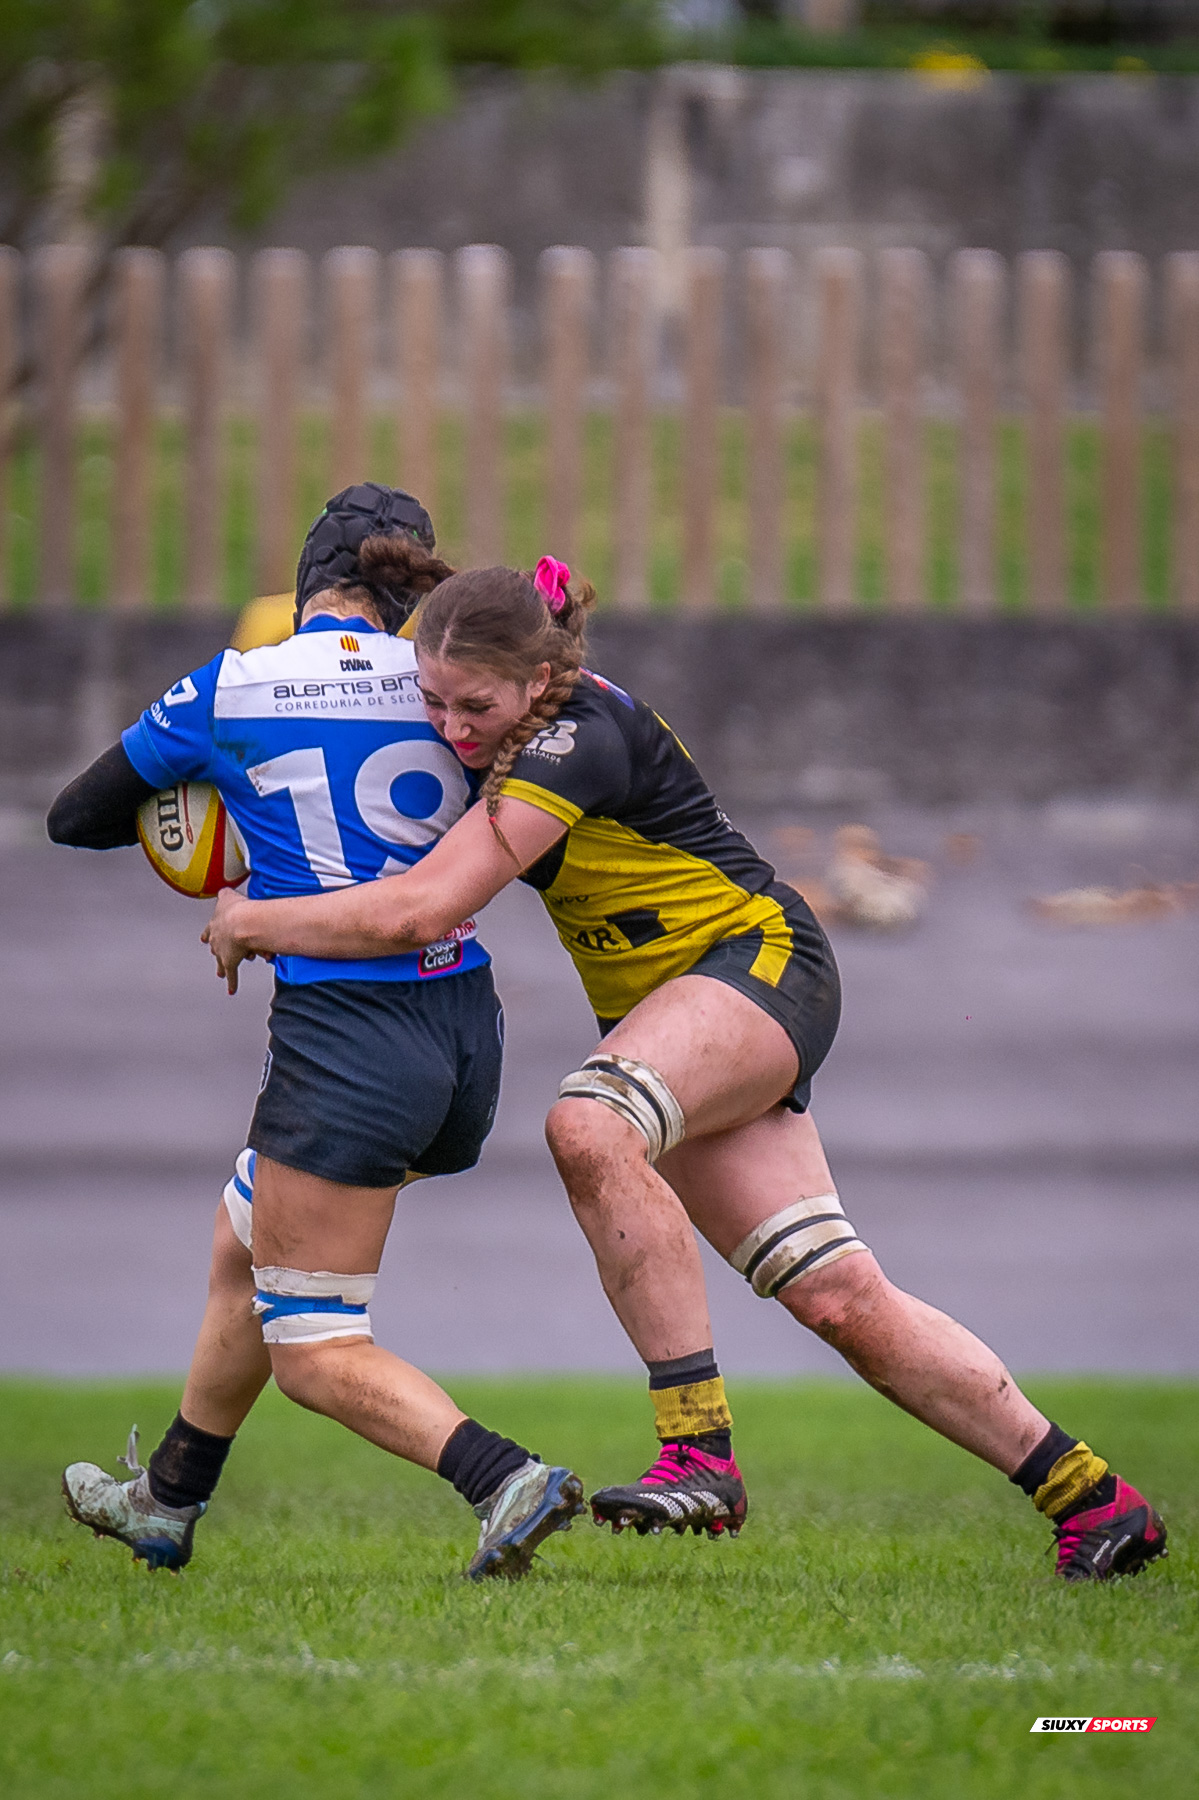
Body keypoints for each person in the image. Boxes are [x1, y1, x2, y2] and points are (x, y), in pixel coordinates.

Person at [204, 545, 1168, 1584]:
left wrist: (251, 920)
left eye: (472, 705)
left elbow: (420, 910)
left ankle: (697, 1452)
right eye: (431, 702)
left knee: (589, 1121)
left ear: (537, 680)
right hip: (680, 1014)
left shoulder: (573, 738)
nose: (449, 728)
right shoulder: (502, 718)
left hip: (755, 965)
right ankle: (1093, 1501)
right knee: (837, 1296)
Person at [46, 487, 584, 1582]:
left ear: (304, 587)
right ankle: (166, 1499)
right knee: (241, 1240)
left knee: (313, 1346)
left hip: (347, 1040)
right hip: (463, 1032)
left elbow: (77, 818)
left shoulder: (231, 684)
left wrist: (227, 813)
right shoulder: (450, 689)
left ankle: (505, 1478)